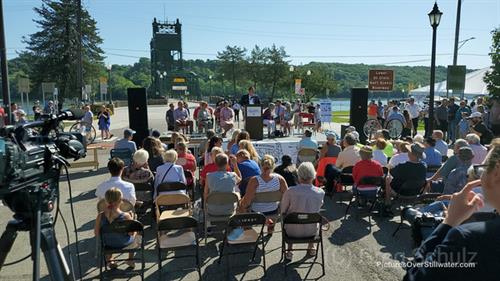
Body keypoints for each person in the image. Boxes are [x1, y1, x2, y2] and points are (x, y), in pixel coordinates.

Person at [404, 140, 500, 280]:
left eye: (483, 167)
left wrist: (449, 222)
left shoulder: (467, 237)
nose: (481, 173)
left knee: (429, 210)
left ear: (496, 173)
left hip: (449, 211)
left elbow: (414, 277)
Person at [281, 162, 325, 259]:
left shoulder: (290, 191)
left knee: (289, 217)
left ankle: (290, 250)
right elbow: (319, 206)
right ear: (313, 175)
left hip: (292, 232)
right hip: (312, 232)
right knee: (311, 215)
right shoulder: (320, 192)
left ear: (299, 176)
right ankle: (311, 246)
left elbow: (283, 210)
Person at [240, 155, 288, 233]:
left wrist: (242, 206)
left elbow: (247, 202)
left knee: (242, 203)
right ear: (273, 166)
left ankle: (247, 230)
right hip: (273, 211)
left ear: (260, 166)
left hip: (257, 212)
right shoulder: (280, 179)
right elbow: (287, 197)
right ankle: (271, 226)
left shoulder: (254, 181)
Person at [94, 188, 136, 270]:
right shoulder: (126, 216)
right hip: (124, 242)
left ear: (105, 201)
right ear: (121, 201)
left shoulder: (100, 216)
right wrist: (132, 219)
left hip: (108, 244)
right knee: (136, 234)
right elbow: (131, 233)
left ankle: (109, 260)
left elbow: (96, 233)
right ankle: (130, 259)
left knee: (110, 235)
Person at [384, 143, 427, 212]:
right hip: (416, 192)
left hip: (401, 192)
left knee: (387, 178)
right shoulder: (424, 167)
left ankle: (388, 201)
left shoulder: (402, 166)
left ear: (410, 153)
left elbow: (391, 172)